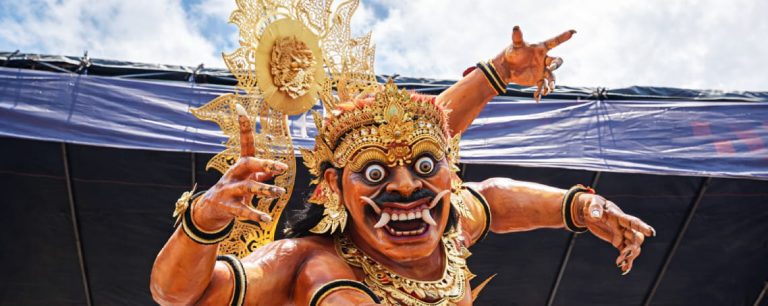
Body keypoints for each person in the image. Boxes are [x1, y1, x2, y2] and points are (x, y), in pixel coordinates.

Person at [150, 16, 654, 306]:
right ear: (332, 186)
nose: (407, 187)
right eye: (373, 172)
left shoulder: (451, 227)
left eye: (427, 167)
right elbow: (180, 296)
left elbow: (494, 199)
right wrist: (203, 220)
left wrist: (587, 209)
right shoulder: (308, 261)